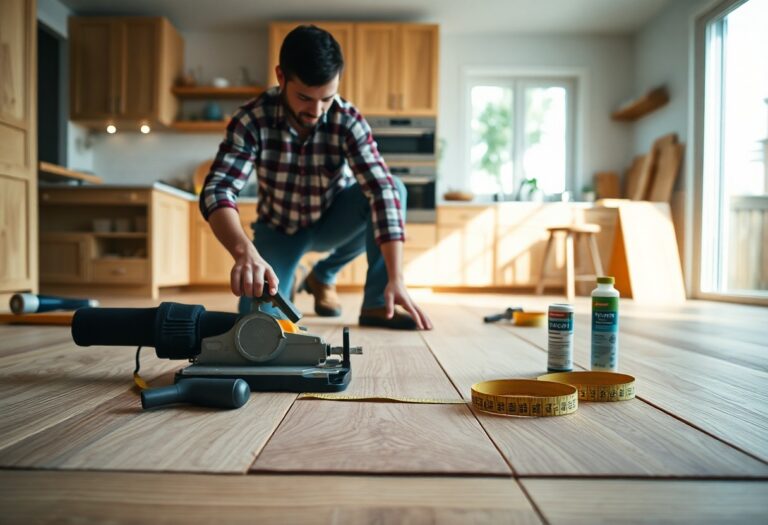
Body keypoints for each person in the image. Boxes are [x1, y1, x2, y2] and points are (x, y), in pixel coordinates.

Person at [199, 25, 433, 330]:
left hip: (333, 221)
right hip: (279, 231)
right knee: (259, 324)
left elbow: (382, 191)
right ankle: (291, 273)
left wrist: (396, 278)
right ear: (281, 77)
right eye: (305, 98)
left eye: (327, 99)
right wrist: (245, 253)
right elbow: (218, 189)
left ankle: (373, 300)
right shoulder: (251, 119)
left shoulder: (348, 119)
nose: (317, 110)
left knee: (393, 190)